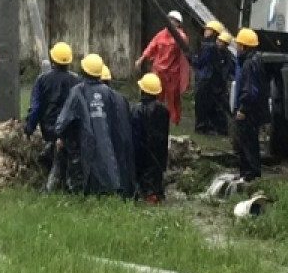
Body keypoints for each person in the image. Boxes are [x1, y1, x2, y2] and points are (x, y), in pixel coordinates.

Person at [54, 53, 135, 198]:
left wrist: (60, 136)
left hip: (84, 144)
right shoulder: (110, 94)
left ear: (84, 70)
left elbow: (63, 122)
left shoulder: (78, 91)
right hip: (108, 144)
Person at [23, 41, 78, 192]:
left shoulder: (42, 80)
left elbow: (35, 108)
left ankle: (49, 188)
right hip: (70, 131)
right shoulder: (76, 81)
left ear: (53, 59)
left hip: (49, 129)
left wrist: (29, 128)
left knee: (57, 158)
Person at [138, 10, 190, 126]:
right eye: (169, 19)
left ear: (178, 23)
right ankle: (155, 116)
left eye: (173, 20)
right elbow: (152, 46)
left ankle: (174, 120)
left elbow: (185, 51)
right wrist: (141, 59)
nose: (170, 22)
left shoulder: (181, 37)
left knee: (173, 97)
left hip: (172, 72)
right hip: (158, 70)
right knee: (156, 95)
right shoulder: (161, 34)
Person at [231, 28, 269, 183]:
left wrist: (243, 109)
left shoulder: (248, 64)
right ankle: (249, 173)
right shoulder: (256, 61)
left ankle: (249, 174)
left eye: (239, 45)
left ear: (245, 46)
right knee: (250, 142)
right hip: (256, 111)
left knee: (247, 143)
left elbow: (250, 89)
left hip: (249, 111)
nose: (237, 48)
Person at [130, 72, 170, 203]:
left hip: (142, 155)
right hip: (159, 155)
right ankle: (157, 195)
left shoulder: (137, 110)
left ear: (142, 91)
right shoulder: (164, 110)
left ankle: (147, 196)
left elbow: (135, 136)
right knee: (156, 179)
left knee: (143, 181)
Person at [191, 20, 229, 134]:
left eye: (208, 29)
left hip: (205, 80)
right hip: (209, 81)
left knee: (201, 105)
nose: (205, 31)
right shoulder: (214, 48)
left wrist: (191, 58)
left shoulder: (208, 46)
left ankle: (201, 127)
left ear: (213, 32)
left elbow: (200, 62)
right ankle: (207, 127)